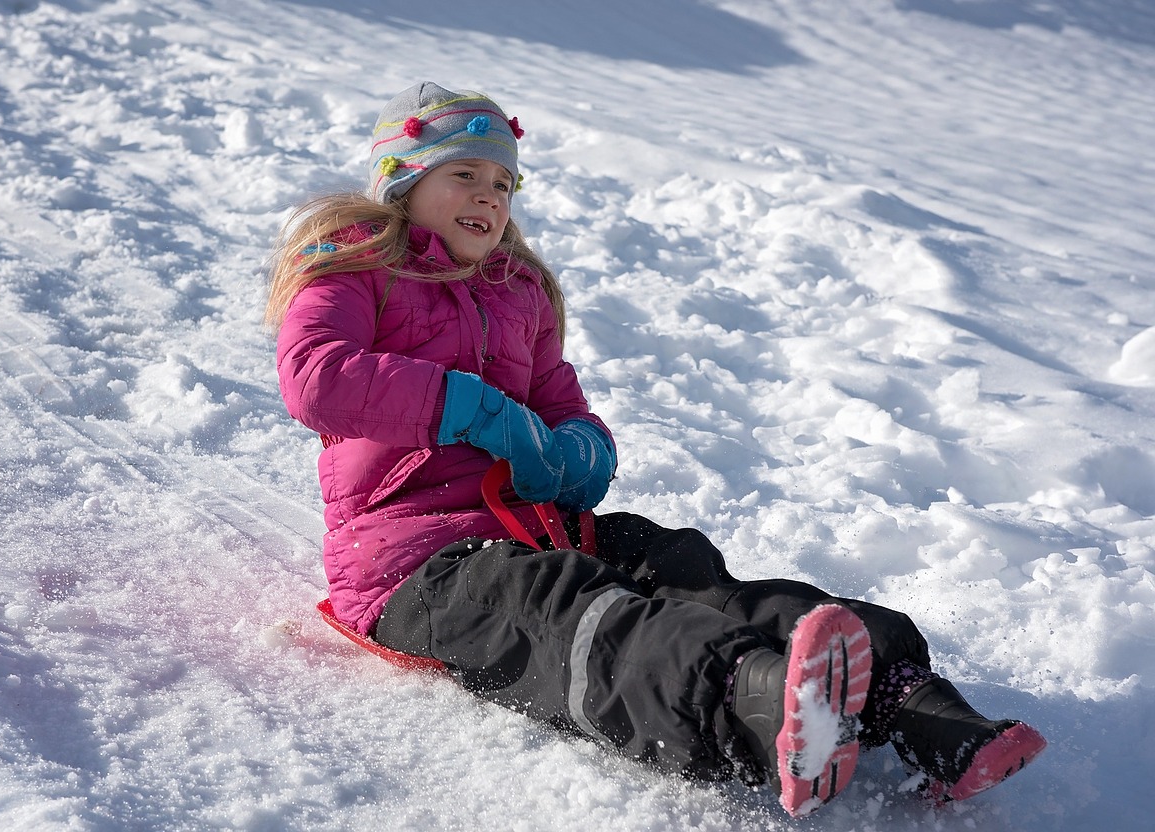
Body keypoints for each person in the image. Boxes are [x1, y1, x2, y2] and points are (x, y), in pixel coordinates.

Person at [266, 82, 1046, 818]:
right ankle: (759, 699)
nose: (488, 196)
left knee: (683, 566)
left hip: (536, 526)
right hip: (415, 566)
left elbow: (563, 405)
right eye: (464, 174)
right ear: (401, 185)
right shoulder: (359, 267)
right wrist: (470, 408)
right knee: (568, 610)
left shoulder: (517, 291)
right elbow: (315, 377)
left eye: (504, 183)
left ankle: (914, 705)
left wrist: (579, 452)